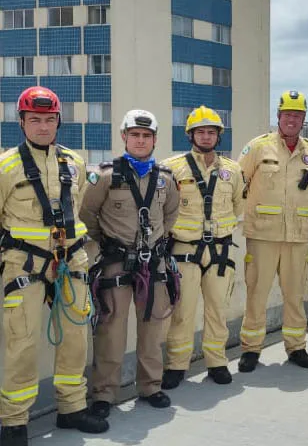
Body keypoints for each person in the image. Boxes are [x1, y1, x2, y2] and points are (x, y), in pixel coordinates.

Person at [0, 87, 108, 445]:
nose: (43, 127)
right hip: (24, 265)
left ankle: (72, 408)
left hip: (69, 261)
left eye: (49, 120)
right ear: (22, 122)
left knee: (76, 336)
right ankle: (15, 421)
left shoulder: (74, 163)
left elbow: (76, 211)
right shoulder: (6, 167)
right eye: (35, 120)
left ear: (58, 121)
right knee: (22, 341)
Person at [81, 110, 180, 419]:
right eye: (135, 135)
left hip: (154, 266)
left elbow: (170, 216)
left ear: (154, 140)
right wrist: (109, 244)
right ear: (124, 137)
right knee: (111, 329)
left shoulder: (165, 179)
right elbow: (87, 215)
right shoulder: (107, 177)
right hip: (116, 264)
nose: (140, 140)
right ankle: (104, 393)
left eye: (146, 136)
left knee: (152, 329)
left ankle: (150, 386)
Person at [237, 90, 308, 372]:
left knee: (294, 294)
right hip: (262, 234)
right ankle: (251, 349)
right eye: (287, 114)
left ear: (303, 119)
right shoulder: (258, 147)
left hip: (296, 236)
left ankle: (296, 347)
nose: (292, 120)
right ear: (278, 117)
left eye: (297, 115)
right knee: (257, 294)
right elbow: (239, 182)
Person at [161, 106, 244, 389]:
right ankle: (176, 365)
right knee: (182, 311)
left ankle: (217, 362)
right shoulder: (172, 168)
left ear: (218, 136)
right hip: (184, 249)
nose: (206, 136)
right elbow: (163, 208)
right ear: (191, 134)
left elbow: (237, 206)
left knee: (218, 310)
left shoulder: (232, 170)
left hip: (220, 251)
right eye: (201, 132)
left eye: (211, 132)